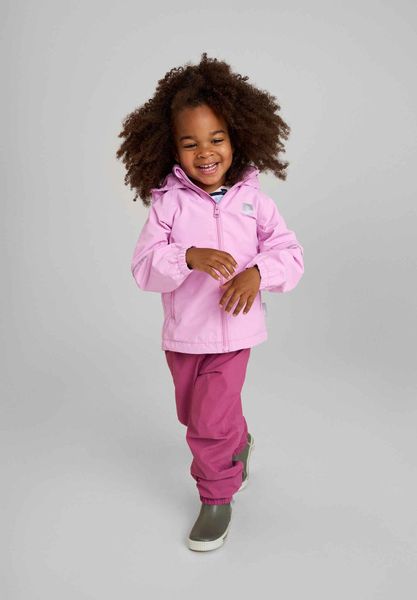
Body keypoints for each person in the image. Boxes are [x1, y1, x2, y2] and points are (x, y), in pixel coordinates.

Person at [116, 52, 304, 552]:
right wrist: (187, 257)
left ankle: (217, 496)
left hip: (235, 333)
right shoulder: (167, 204)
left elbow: (290, 255)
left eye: (216, 138)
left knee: (208, 422)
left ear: (237, 137)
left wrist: (257, 273)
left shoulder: (254, 201)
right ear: (171, 147)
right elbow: (144, 268)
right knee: (194, 414)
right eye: (190, 142)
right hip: (184, 335)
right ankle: (238, 444)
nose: (205, 152)